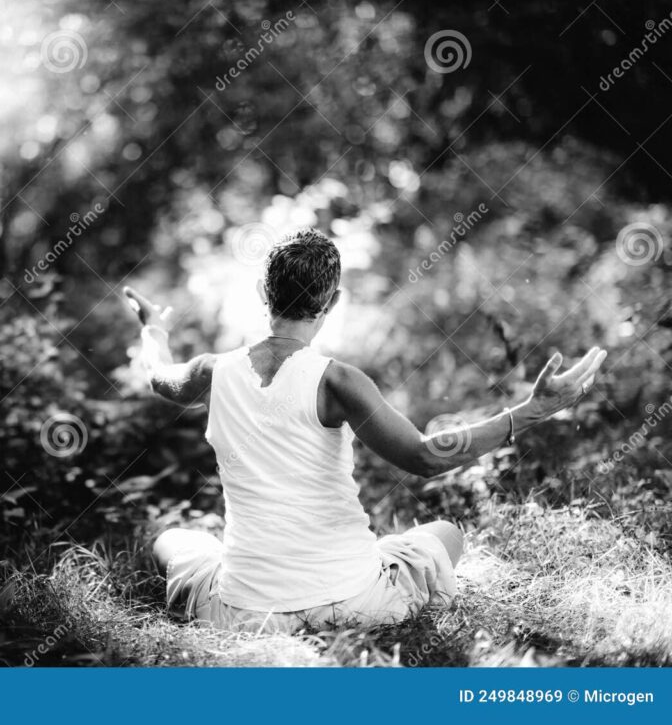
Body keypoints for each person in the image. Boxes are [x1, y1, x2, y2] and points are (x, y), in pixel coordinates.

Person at [123, 228, 606, 634]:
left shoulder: (213, 370)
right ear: (332, 302)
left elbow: (157, 376)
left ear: (262, 294)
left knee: (172, 540)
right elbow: (424, 457)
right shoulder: (339, 381)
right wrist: (530, 411)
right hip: (353, 600)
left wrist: (153, 331)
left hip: (245, 611)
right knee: (447, 534)